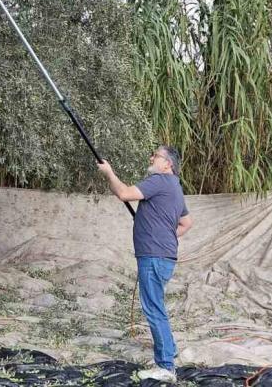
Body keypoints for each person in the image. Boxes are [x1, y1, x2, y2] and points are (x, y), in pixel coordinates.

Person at [97, 145, 193, 383]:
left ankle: (165, 367)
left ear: (167, 164)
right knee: (157, 305)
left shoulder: (160, 180)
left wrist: (109, 173)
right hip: (163, 256)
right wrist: (164, 234)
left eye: (156, 156)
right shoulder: (175, 187)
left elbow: (124, 193)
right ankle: (170, 351)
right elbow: (187, 223)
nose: (151, 158)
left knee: (154, 309)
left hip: (153, 257)